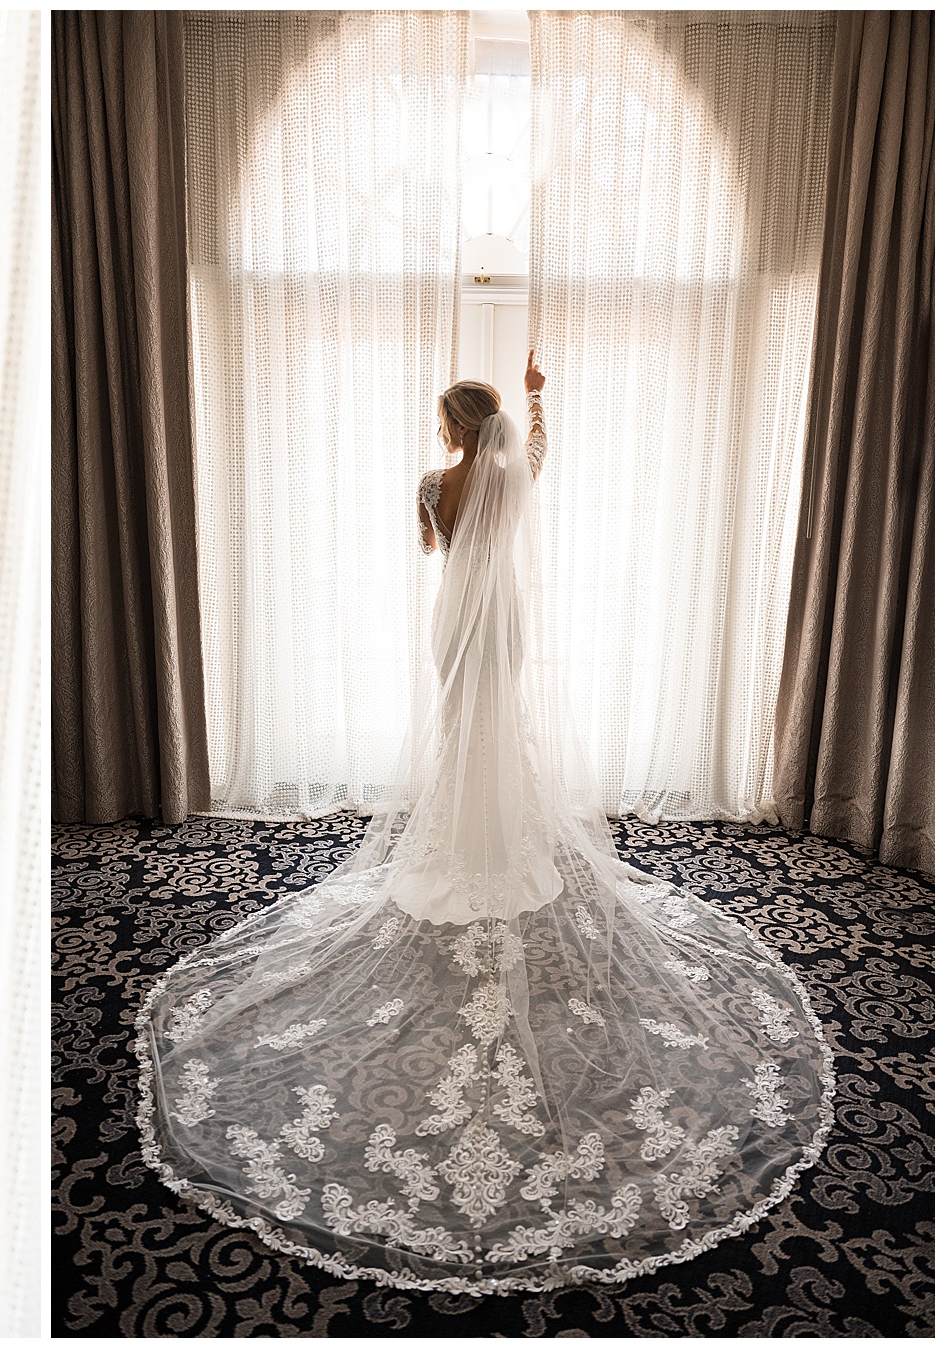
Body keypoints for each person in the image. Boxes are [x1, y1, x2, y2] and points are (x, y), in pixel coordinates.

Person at [135, 351, 834, 1294]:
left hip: (456, 612)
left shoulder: (434, 484)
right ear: (491, 425)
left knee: (463, 725)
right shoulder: (509, 477)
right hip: (500, 614)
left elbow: (429, 547)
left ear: (451, 426)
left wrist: (465, 483)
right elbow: (535, 466)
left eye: (443, 418)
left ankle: (464, 835)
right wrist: (539, 403)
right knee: (497, 723)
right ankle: (493, 838)